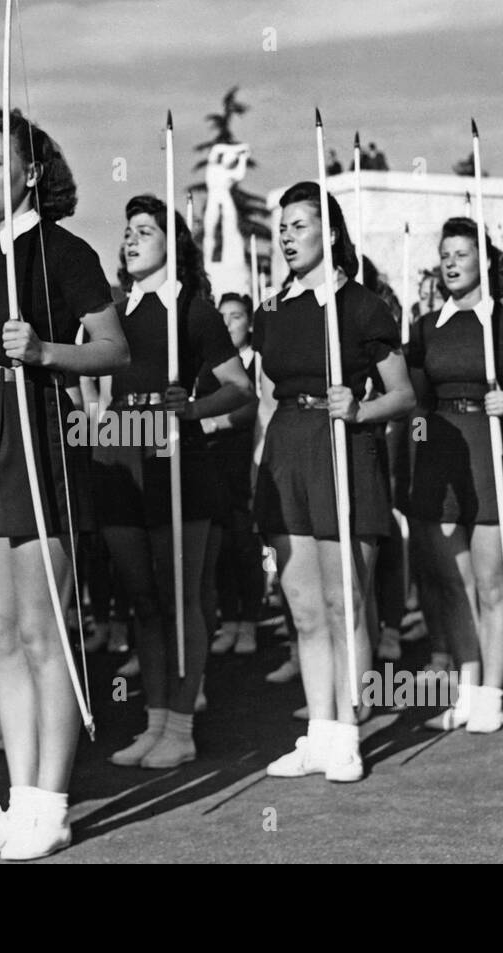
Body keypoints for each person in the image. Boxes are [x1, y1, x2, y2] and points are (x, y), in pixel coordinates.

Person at [0, 105, 127, 860]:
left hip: (37, 435)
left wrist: (48, 350)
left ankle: (52, 800)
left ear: (31, 172)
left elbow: (115, 350)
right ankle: (20, 796)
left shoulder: (64, 253)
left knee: (42, 628)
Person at [255, 181, 414, 780]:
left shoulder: (365, 307)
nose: (287, 237)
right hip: (287, 451)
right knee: (301, 603)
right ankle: (319, 730)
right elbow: (268, 394)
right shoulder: (272, 309)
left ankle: (346, 731)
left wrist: (359, 409)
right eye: (283, 227)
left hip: (344, 449)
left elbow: (404, 395)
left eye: (299, 226)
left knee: (342, 599)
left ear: (330, 233)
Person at [92, 195, 253, 769]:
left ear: (172, 243)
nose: (131, 240)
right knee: (142, 600)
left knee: (180, 597)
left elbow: (239, 387)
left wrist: (192, 409)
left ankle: (181, 727)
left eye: (146, 231)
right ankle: (154, 721)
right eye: (127, 230)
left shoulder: (192, 308)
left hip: (178, 460)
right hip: (119, 459)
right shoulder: (111, 311)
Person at [405, 217, 503, 733]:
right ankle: (466, 684)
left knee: (490, 583)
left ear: (485, 261)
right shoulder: (424, 328)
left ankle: (490, 694)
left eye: (462, 254)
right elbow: (414, 401)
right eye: (445, 254)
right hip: (442, 454)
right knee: (452, 584)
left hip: (493, 453)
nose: (451, 262)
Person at [207, 292, 262, 657]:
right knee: (222, 544)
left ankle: (251, 622)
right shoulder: (213, 365)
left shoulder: (259, 362)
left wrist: (216, 421)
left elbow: (253, 405)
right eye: (222, 316)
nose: (228, 323)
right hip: (217, 462)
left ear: (249, 323)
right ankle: (228, 621)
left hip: (248, 460)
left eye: (237, 315)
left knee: (246, 545)